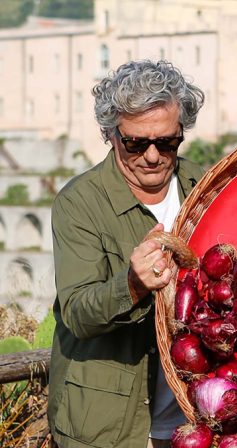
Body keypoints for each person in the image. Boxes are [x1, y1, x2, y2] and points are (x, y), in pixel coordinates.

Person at [48, 60, 205, 448]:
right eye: (136, 143)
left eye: (166, 142)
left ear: (182, 132)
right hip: (110, 431)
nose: (152, 156)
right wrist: (132, 285)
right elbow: (78, 314)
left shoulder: (206, 188)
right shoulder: (79, 203)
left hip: (194, 425)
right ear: (110, 134)